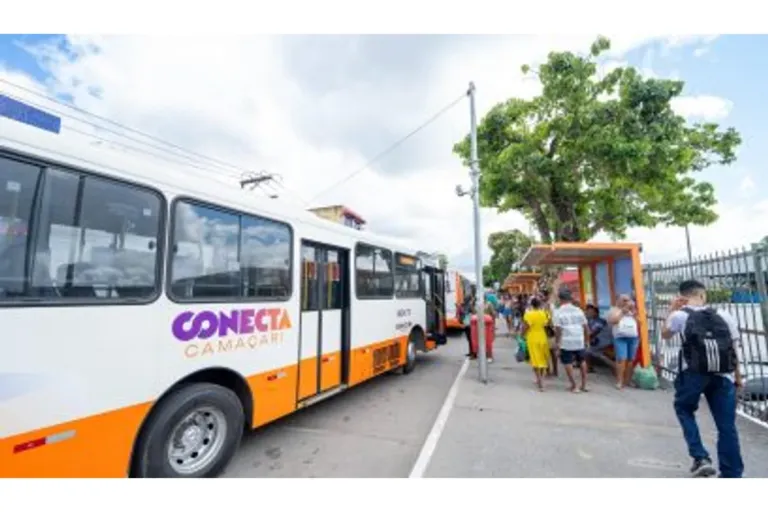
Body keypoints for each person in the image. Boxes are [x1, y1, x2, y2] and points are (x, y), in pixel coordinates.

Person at [662, 279, 744, 478]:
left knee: (684, 409)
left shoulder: (680, 315)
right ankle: (732, 473)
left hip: (692, 374)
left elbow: (665, 335)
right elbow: (734, 348)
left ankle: (700, 457)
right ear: (702, 294)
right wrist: (738, 377)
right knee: (727, 426)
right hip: (722, 374)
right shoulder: (724, 315)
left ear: (682, 296)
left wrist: (671, 310)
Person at [552, 288, 589, 393]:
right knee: (582, 361)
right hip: (579, 339)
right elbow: (586, 326)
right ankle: (584, 385)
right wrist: (587, 340)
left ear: (560, 299)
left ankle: (574, 386)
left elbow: (558, 329)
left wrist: (557, 343)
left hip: (566, 340)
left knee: (567, 362)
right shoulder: (578, 310)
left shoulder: (558, 312)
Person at [607, 295, 640, 389]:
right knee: (621, 359)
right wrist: (622, 312)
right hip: (620, 337)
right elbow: (612, 321)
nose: (626, 302)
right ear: (618, 301)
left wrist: (633, 312)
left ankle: (627, 380)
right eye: (624, 300)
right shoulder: (614, 310)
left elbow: (639, 322)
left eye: (628, 300)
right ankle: (619, 381)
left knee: (630, 360)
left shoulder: (632, 310)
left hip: (633, 337)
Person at [522, 297, 550, 391]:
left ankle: (539, 381)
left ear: (531, 305)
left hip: (532, 338)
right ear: (540, 304)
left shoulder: (528, 314)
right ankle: (541, 378)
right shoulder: (544, 313)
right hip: (542, 337)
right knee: (542, 358)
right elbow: (547, 324)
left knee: (535, 359)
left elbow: (526, 326)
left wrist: (522, 335)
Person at [461, 285, 478, 359]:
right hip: (466, 324)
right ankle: (471, 352)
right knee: (469, 339)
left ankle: (474, 353)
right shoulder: (466, 305)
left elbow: (474, 312)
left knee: (472, 339)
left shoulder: (472, 304)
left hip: (471, 324)